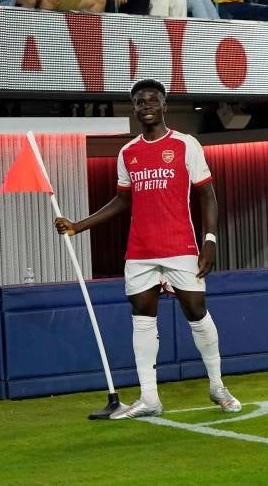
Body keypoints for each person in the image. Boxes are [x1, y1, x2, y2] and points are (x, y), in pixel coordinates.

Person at [54, 78, 241, 420]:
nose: (146, 106)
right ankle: (149, 398)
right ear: (135, 108)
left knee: (196, 312)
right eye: (140, 102)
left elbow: (207, 195)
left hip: (181, 246)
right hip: (140, 252)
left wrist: (210, 240)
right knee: (142, 319)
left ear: (165, 105)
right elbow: (123, 200)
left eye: (152, 100)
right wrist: (78, 226)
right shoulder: (128, 153)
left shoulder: (186, 145)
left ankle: (217, 385)